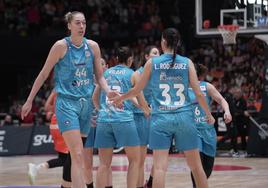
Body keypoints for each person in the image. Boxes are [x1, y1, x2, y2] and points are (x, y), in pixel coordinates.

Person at [111, 28, 215, 188]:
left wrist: (121, 97)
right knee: (196, 167)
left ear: (163, 42)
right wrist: (208, 114)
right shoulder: (187, 63)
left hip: (161, 119)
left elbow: (137, 90)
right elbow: (198, 94)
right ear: (178, 43)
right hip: (185, 118)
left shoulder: (152, 63)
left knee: (159, 168)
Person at [21, 11, 111, 188]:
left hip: (86, 106)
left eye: (84, 23)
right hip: (67, 104)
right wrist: (30, 99)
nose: (82, 26)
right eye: (77, 23)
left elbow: (100, 77)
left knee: (78, 158)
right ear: (69, 25)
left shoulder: (93, 46)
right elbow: (44, 73)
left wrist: (108, 92)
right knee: (77, 155)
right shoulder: (60, 46)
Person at [93, 47, 150, 188]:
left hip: (104, 120)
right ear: (130, 60)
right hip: (124, 121)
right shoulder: (133, 74)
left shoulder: (105, 73)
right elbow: (141, 103)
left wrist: (102, 111)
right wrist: (148, 110)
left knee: (104, 164)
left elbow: (94, 98)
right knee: (135, 161)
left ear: (116, 59)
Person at [188, 64, 232, 188]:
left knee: (208, 168)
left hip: (208, 131)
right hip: (193, 131)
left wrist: (227, 111)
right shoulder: (183, 89)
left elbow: (222, 100)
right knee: (197, 166)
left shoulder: (206, 86)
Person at [28, 91, 71, 188]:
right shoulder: (71, 86)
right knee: (69, 160)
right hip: (65, 124)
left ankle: (66, 184)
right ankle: (36, 168)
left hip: (55, 124)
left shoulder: (56, 89)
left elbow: (47, 107)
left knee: (65, 159)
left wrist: (56, 109)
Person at [132, 45, 160, 188]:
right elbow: (132, 95)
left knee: (160, 156)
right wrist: (143, 107)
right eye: (154, 53)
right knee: (140, 159)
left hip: (158, 117)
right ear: (147, 57)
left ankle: (150, 182)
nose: (158, 55)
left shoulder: (162, 74)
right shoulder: (138, 73)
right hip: (141, 117)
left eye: (159, 53)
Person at [84, 58, 113, 188]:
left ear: (106, 67)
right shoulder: (86, 84)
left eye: (101, 64)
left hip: (104, 124)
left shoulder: (110, 83)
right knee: (87, 163)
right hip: (88, 126)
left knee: (106, 162)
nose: (98, 67)